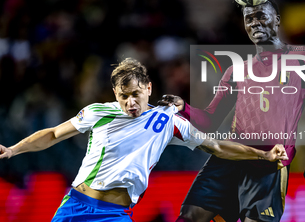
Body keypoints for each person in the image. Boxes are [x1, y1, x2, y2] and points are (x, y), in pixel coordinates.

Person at [0, 58, 288, 222]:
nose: (130, 102)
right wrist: (12, 150)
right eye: (123, 96)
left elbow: (215, 146)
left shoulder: (167, 121)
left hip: (116, 214)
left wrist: (262, 156)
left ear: (148, 89)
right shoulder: (98, 112)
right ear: (115, 94)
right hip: (76, 206)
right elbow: (51, 134)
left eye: (135, 94)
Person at [160, 0, 305, 222]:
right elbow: (210, 119)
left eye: (261, 16)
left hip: (269, 165)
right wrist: (184, 108)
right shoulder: (236, 69)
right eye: (249, 19)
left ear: (277, 20)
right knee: (189, 217)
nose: (255, 23)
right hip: (229, 157)